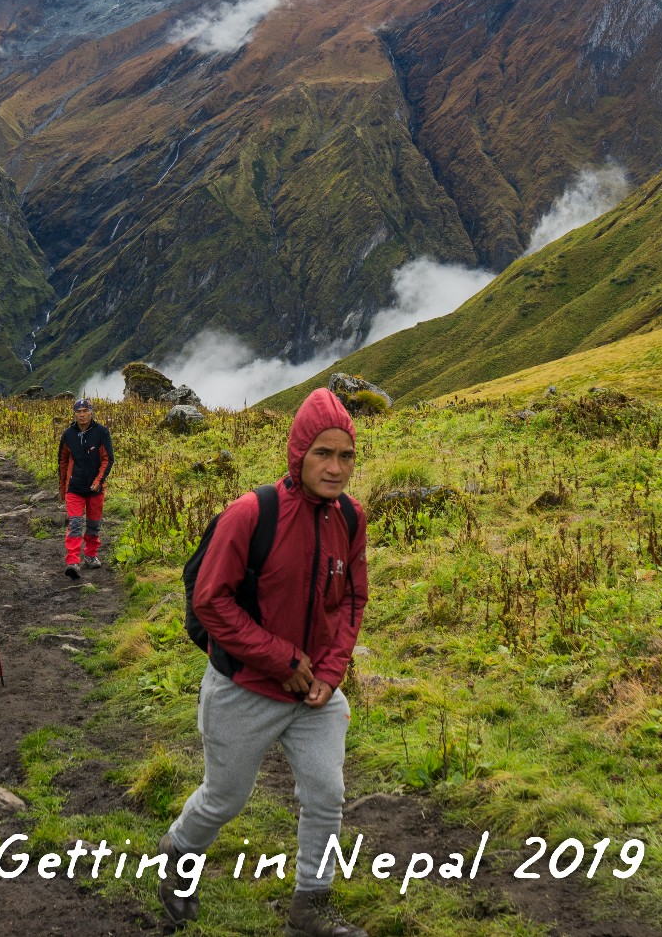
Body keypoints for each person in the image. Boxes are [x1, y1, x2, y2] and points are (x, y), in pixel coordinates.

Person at [159, 389, 369, 937]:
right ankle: (180, 851)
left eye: (346, 456)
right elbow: (211, 600)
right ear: (298, 452)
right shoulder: (252, 514)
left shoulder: (351, 517)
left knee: (327, 793)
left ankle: (310, 907)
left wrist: (330, 671)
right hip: (244, 688)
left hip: (313, 694)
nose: (336, 467)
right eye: (324, 453)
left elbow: (351, 600)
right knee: (224, 799)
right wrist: (281, 659)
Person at [57, 396, 114, 579]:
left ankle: (90, 555)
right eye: (78, 412)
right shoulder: (68, 435)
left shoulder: (102, 432)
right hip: (74, 487)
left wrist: (98, 481)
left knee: (93, 524)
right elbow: (63, 461)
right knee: (74, 524)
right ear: (74, 414)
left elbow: (108, 459)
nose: (82, 415)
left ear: (91, 412)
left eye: (85, 411)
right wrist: (62, 489)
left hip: (96, 488)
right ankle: (73, 561)